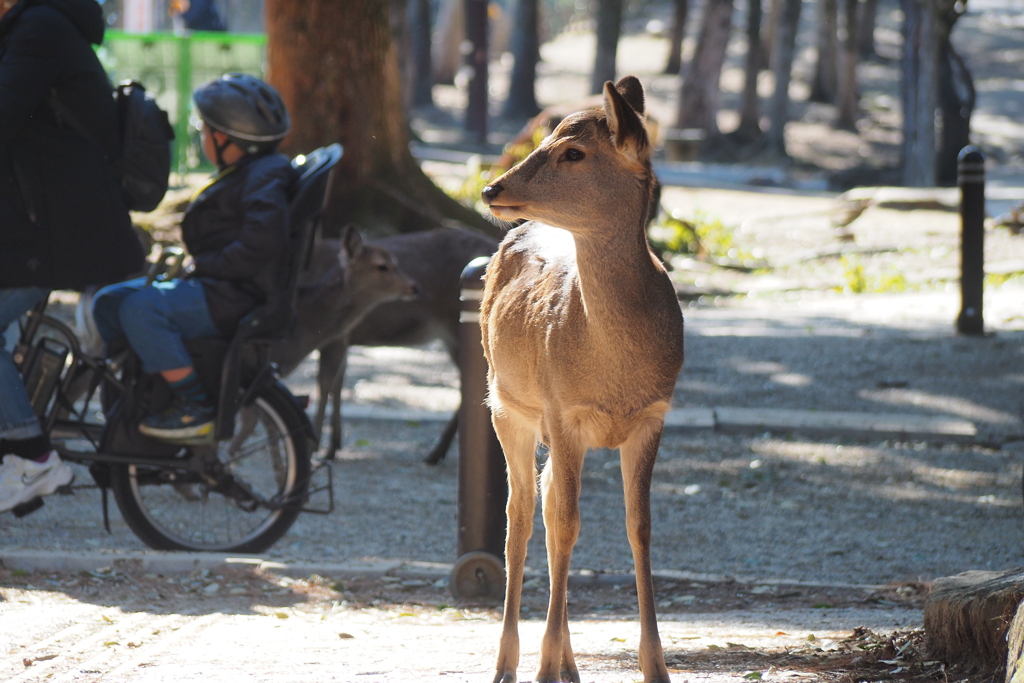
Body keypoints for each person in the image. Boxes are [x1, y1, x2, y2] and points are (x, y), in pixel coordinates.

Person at [91, 73, 295, 443]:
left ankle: (194, 406)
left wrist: (203, 266)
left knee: (140, 309)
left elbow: (259, 246)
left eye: (204, 131)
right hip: (219, 288)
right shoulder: (253, 172)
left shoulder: (266, 179)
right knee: (108, 302)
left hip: (231, 297)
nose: (201, 137)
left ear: (226, 139)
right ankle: (144, 390)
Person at [0, 0, 146, 513]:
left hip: (59, 230)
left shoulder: (39, 29)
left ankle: (33, 456)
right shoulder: (35, 27)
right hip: (45, 222)